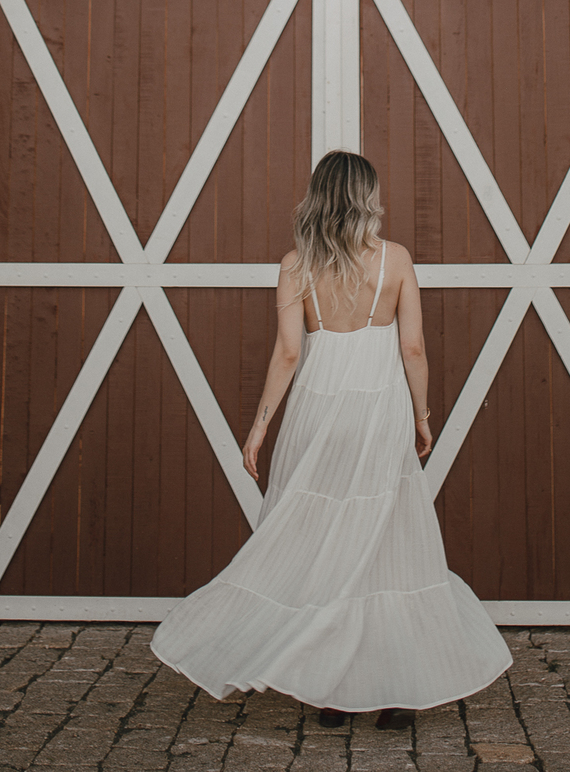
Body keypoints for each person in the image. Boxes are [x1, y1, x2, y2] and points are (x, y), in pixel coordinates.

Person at [150, 149, 511, 725]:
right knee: (387, 552)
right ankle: (393, 697)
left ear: (317, 196)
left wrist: (260, 426)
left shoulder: (296, 265)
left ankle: (331, 694)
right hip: (377, 415)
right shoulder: (395, 261)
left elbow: (289, 352)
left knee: (321, 548)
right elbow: (412, 348)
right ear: (368, 197)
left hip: (317, 416)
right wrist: (422, 417)